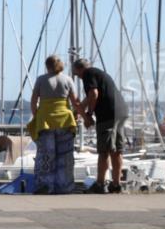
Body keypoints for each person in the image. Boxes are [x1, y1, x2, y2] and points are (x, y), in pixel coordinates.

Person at [71, 57, 129, 194]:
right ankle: (116, 185)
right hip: (121, 111)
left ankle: (100, 184)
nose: (77, 77)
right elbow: (90, 97)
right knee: (116, 151)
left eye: (76, 73)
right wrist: (78, 111)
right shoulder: (99, 73)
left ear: (80, 69)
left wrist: (89, 114)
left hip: (107, 115)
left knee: (104, 151)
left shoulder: (88, 74)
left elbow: (93, 94)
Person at [27, 55, 81, 194]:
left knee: (46, 155)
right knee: (65, 156)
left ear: (47, 66)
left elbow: (33, 102)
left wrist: (36, 115)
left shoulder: (41, 80)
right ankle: (65, 186)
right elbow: (75, 102)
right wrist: (78, 115)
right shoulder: (68, 79)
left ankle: (45, 186)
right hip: (65, 119)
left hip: (45, 120)